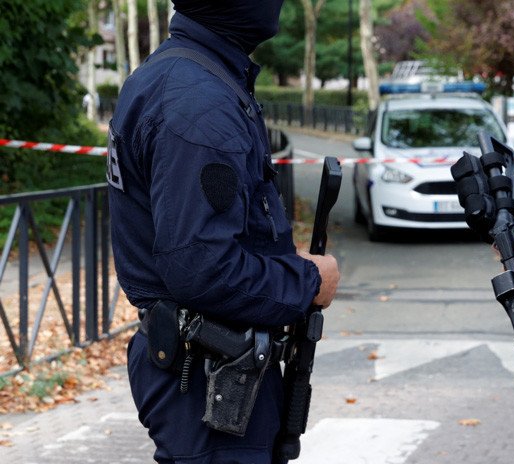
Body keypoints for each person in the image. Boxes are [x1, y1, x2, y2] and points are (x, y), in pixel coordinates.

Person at [106, 1, 340, 462]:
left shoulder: (182, 74)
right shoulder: (198, 101)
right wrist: (310, 280)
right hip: (207, 375)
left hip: (210, 368)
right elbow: (202, 268)